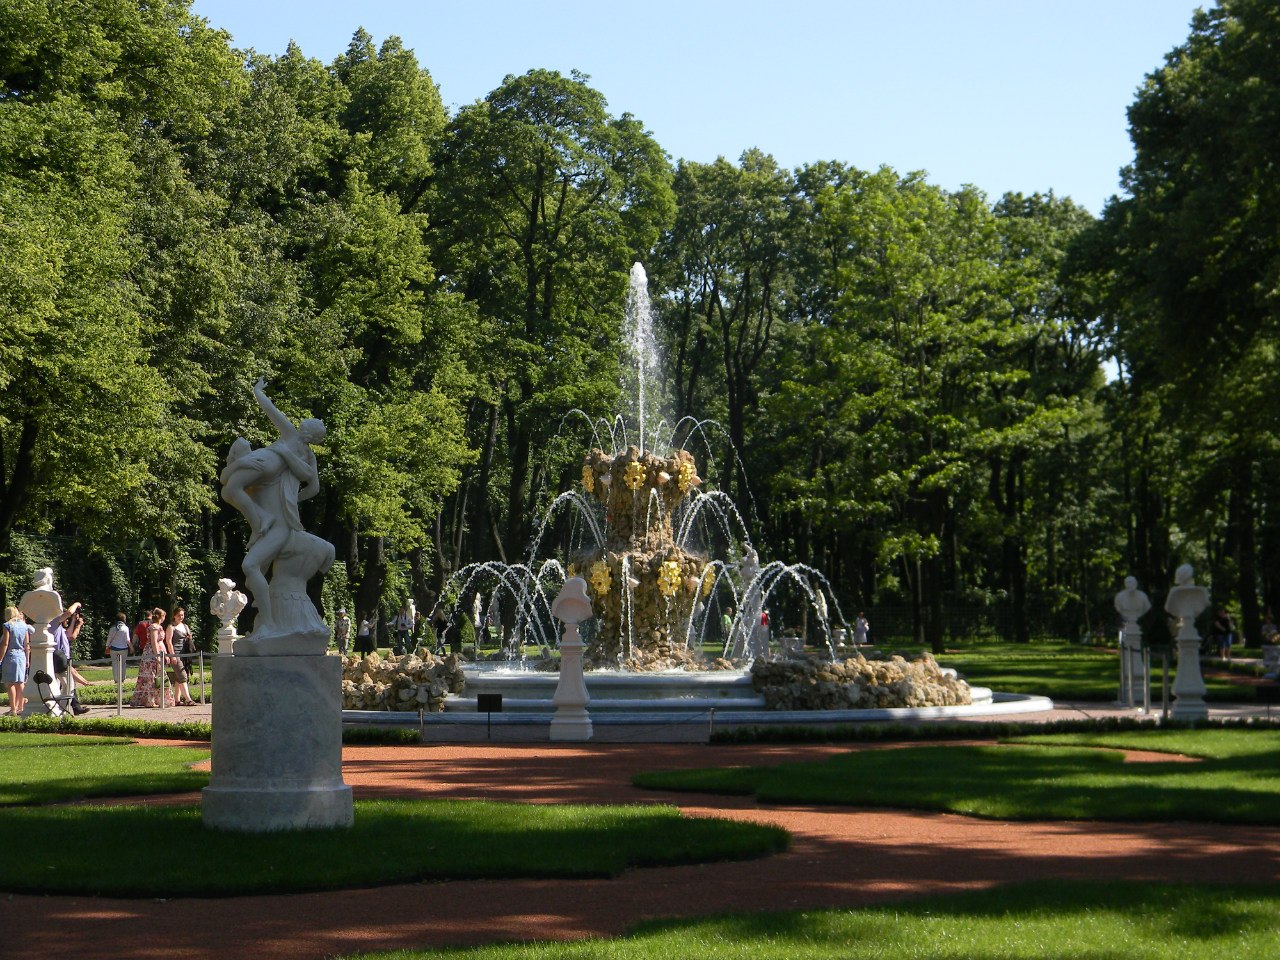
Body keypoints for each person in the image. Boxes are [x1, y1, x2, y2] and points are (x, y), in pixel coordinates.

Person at [218, 378, 327, 635]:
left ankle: (267, 623)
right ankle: (265, 619)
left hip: (280, 524)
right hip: (275, 512)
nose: (303, 430)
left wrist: (292, 499)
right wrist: (295, 500)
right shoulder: (304, 451)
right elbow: (313, 487)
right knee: (228, 487)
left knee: (250, 567)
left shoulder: (293, 442)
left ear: (308, 433)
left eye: (307, 429)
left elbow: (311, 483)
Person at [130, 608, 174, 708]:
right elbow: (154, 642)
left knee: (159, 677)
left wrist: (165, 654)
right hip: (151, 654)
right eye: (163, 617)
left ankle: (159, 699)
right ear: (159, 617)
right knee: (150, 677)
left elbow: (161, 642)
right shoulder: (154, 627)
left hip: (158, 652)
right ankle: (149, 700)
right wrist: (157, 656)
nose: (164, 619)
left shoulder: (159, 627)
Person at [1, 606, 31, 715]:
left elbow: (5, 643)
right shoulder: (24, 626)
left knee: (10, 683)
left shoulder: (7, 625)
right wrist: (27, 659)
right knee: (20, 682)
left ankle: (13, 709)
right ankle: (20, 707)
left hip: (11, 654)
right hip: (22, 655)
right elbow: (27, 645)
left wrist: (0, 659)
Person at [165, 606, 196, 705]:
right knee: (183, 676)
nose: (181, 617)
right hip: (175, 653)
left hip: (185, 655)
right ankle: (188, 699)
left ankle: (177, 700)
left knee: (179, 677)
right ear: (174, 616)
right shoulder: (171, 627)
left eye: (182, 615)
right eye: (179, 615)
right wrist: (172, 655)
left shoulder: (185, 626)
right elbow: (169, 642)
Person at [105, 611, 133, 688]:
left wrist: (107, 647)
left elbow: (109, 639)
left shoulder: (112, 628)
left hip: (113, 648)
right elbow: (127, 640)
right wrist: (131, 647)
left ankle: (116, 680)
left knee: (114, 664)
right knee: (123, 664)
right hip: (123, 649)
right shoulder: (125, 628)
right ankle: (122, 679)